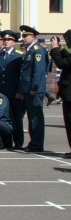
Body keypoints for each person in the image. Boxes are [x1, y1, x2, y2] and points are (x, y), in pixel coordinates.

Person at [16, 25, 49, 153]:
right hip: (27, 89)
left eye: (25, 36)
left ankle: (37, 144)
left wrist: (35, 88)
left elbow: (38, 72)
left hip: (34, 90)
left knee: (36, 118)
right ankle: (33, 142)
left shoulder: (38, 50)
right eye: (23, 36)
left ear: (33, 36)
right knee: (31, 118)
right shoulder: (30, 50)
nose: (23, 38)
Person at [49, 30, 71, 158]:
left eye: (67, 40)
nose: (67, 42)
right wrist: (61, 49)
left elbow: (63, 63)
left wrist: (55, 49)